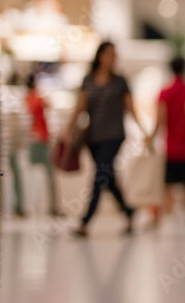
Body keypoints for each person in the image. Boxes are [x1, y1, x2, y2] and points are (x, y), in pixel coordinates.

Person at [64, 41, 139, 237]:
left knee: (99, 176)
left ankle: (85, 222)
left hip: (114, 136)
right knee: (107, 176)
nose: (113, 58)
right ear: (100, 56)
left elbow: (131, 107)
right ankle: (129, 211)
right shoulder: (88, 80)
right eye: (109, 54)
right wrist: (67, 129)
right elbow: (80, 107)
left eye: (115, 54)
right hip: (93, 138)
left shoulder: (120, 81)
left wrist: (144, 130)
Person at [145, 57, 185, 236]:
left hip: (172, 148)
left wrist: (150, 138)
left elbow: (160, 119)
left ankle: (160, 221)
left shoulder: (165, 92)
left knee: (168, 187)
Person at [25, 74, 60, 216]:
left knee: (35, 174)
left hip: (34, 138)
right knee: (48, 174)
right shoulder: (36, 98)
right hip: (41, 139)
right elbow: (50, 105)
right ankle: (52, 206)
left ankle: (37, 206)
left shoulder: (27, 99)